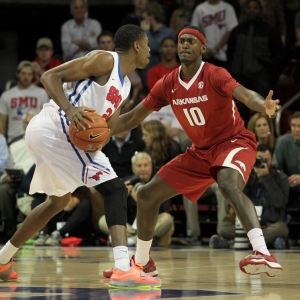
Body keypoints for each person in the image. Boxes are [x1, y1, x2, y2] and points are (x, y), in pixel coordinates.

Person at [111, 25, 283, 277]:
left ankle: (262, 252)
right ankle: (143, 262)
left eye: (191, 41)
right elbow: (133, 117)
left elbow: (245, 95)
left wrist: (263, 105)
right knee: (147, 195)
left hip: (233, 142)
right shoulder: (168, 83)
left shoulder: (214, 74)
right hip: (200, 152)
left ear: (203, 47)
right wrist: (104, 128)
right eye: (181, 41)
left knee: (227, 184)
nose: (184, 45)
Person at [0, 24, 161, 289]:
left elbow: (114, 126)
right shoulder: (105, 59)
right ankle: (123, 268)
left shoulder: (125, 87)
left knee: (57, 201)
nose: (149, 51)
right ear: (136, 46)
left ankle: (3, 259)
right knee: (115, 189)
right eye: (147, 45)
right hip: (57, 127)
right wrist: (70, 109)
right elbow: (50, 76)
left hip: (61, 135)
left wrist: (151, 104)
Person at [210, 143, 289, 250]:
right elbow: (238, 196)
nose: (262, 163)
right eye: (259, 160)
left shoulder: (280, 177)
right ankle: (265, 243)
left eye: (266, 160)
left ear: (272, 159)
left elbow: (280, 202)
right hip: (246, 225)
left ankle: (233, 243)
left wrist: (266, 178)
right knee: (223, 227)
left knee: (282, 228)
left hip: (268, 224)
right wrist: (250, 174)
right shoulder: (247, 176)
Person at [99, 152, 174, 251]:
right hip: (128, 226)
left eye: (146, 165)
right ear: (133, 168)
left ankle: (131, 240)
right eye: (139, 166)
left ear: (151, 167)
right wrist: (122, 197)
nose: (143, 169)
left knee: (167, 219)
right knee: (103, 220)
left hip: (150, 224)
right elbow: (114, 209)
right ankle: (135, 238)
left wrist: (143, 202)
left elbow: (162, 209)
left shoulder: (159, 183)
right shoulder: (125, 182)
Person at [226, 0, 284, 125]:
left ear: (260, 11)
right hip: (240, 75)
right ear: (245, 10)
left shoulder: (270, 31)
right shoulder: (237, 31)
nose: (252, 11)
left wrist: (270, 74)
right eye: (250, 8)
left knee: (265, 106)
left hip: (261, 74)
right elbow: (230, 53)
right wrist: (233, 73)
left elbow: (278, 55)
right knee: (239, 109)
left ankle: (267, 136)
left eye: (255, 8)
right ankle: (241, 136)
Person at [0, 61, 49, 143]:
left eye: (29, 74)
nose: (26, 77)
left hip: (35, 139)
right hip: (14, 139)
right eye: (23, 73)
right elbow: (2, 122)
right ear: (17, 74)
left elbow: (46, 119)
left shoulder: (41, 93)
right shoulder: (6, 95)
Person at [190, 0, 238, 68]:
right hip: (205, 55)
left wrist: (217, 48)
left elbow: (231, 31)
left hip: (224, 55)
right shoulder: (200, 9)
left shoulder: (228, 8)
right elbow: (194, 31)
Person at [274, 111, 300, 210]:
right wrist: (283, 178)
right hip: (289, 190)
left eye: (299, 126)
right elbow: (276, 168)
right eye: (294, 126)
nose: (297, 130)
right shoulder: (282, 142)